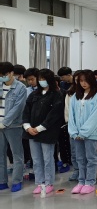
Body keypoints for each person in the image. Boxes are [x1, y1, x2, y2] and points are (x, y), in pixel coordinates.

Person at [22, 69, 65, 195]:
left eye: (44, 79)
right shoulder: (34, 94)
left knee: (47, 159)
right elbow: (26, 111)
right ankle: (39, 182)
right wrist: (27, 126)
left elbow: (55, 114)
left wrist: (40, 127)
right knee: (36, 159)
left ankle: (48, 183)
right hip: (31, 131)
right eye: (40, 79)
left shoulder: (56, 94)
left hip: (47, 132)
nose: (41, 81)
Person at [68, 69, 97, 195]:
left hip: (91, 133)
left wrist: (84, 132)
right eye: (81, 81)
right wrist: (74, 131)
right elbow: (71, 115)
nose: (83, 83)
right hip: (76, 134)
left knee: (91, 158)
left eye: (86, 81)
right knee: (80, 158)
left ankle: (90, 182)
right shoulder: (75, 96)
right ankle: (81, 181)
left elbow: (95, 116)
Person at [0, 62, 28, 192]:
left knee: (17, 154)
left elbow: (18, 108)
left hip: (13, 125)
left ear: (11, 73)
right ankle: (2, 181)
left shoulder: (21, 88)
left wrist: (4, 122)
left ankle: (17, 180)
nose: (2, 77)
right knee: (1, 154)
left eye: (4, 75)